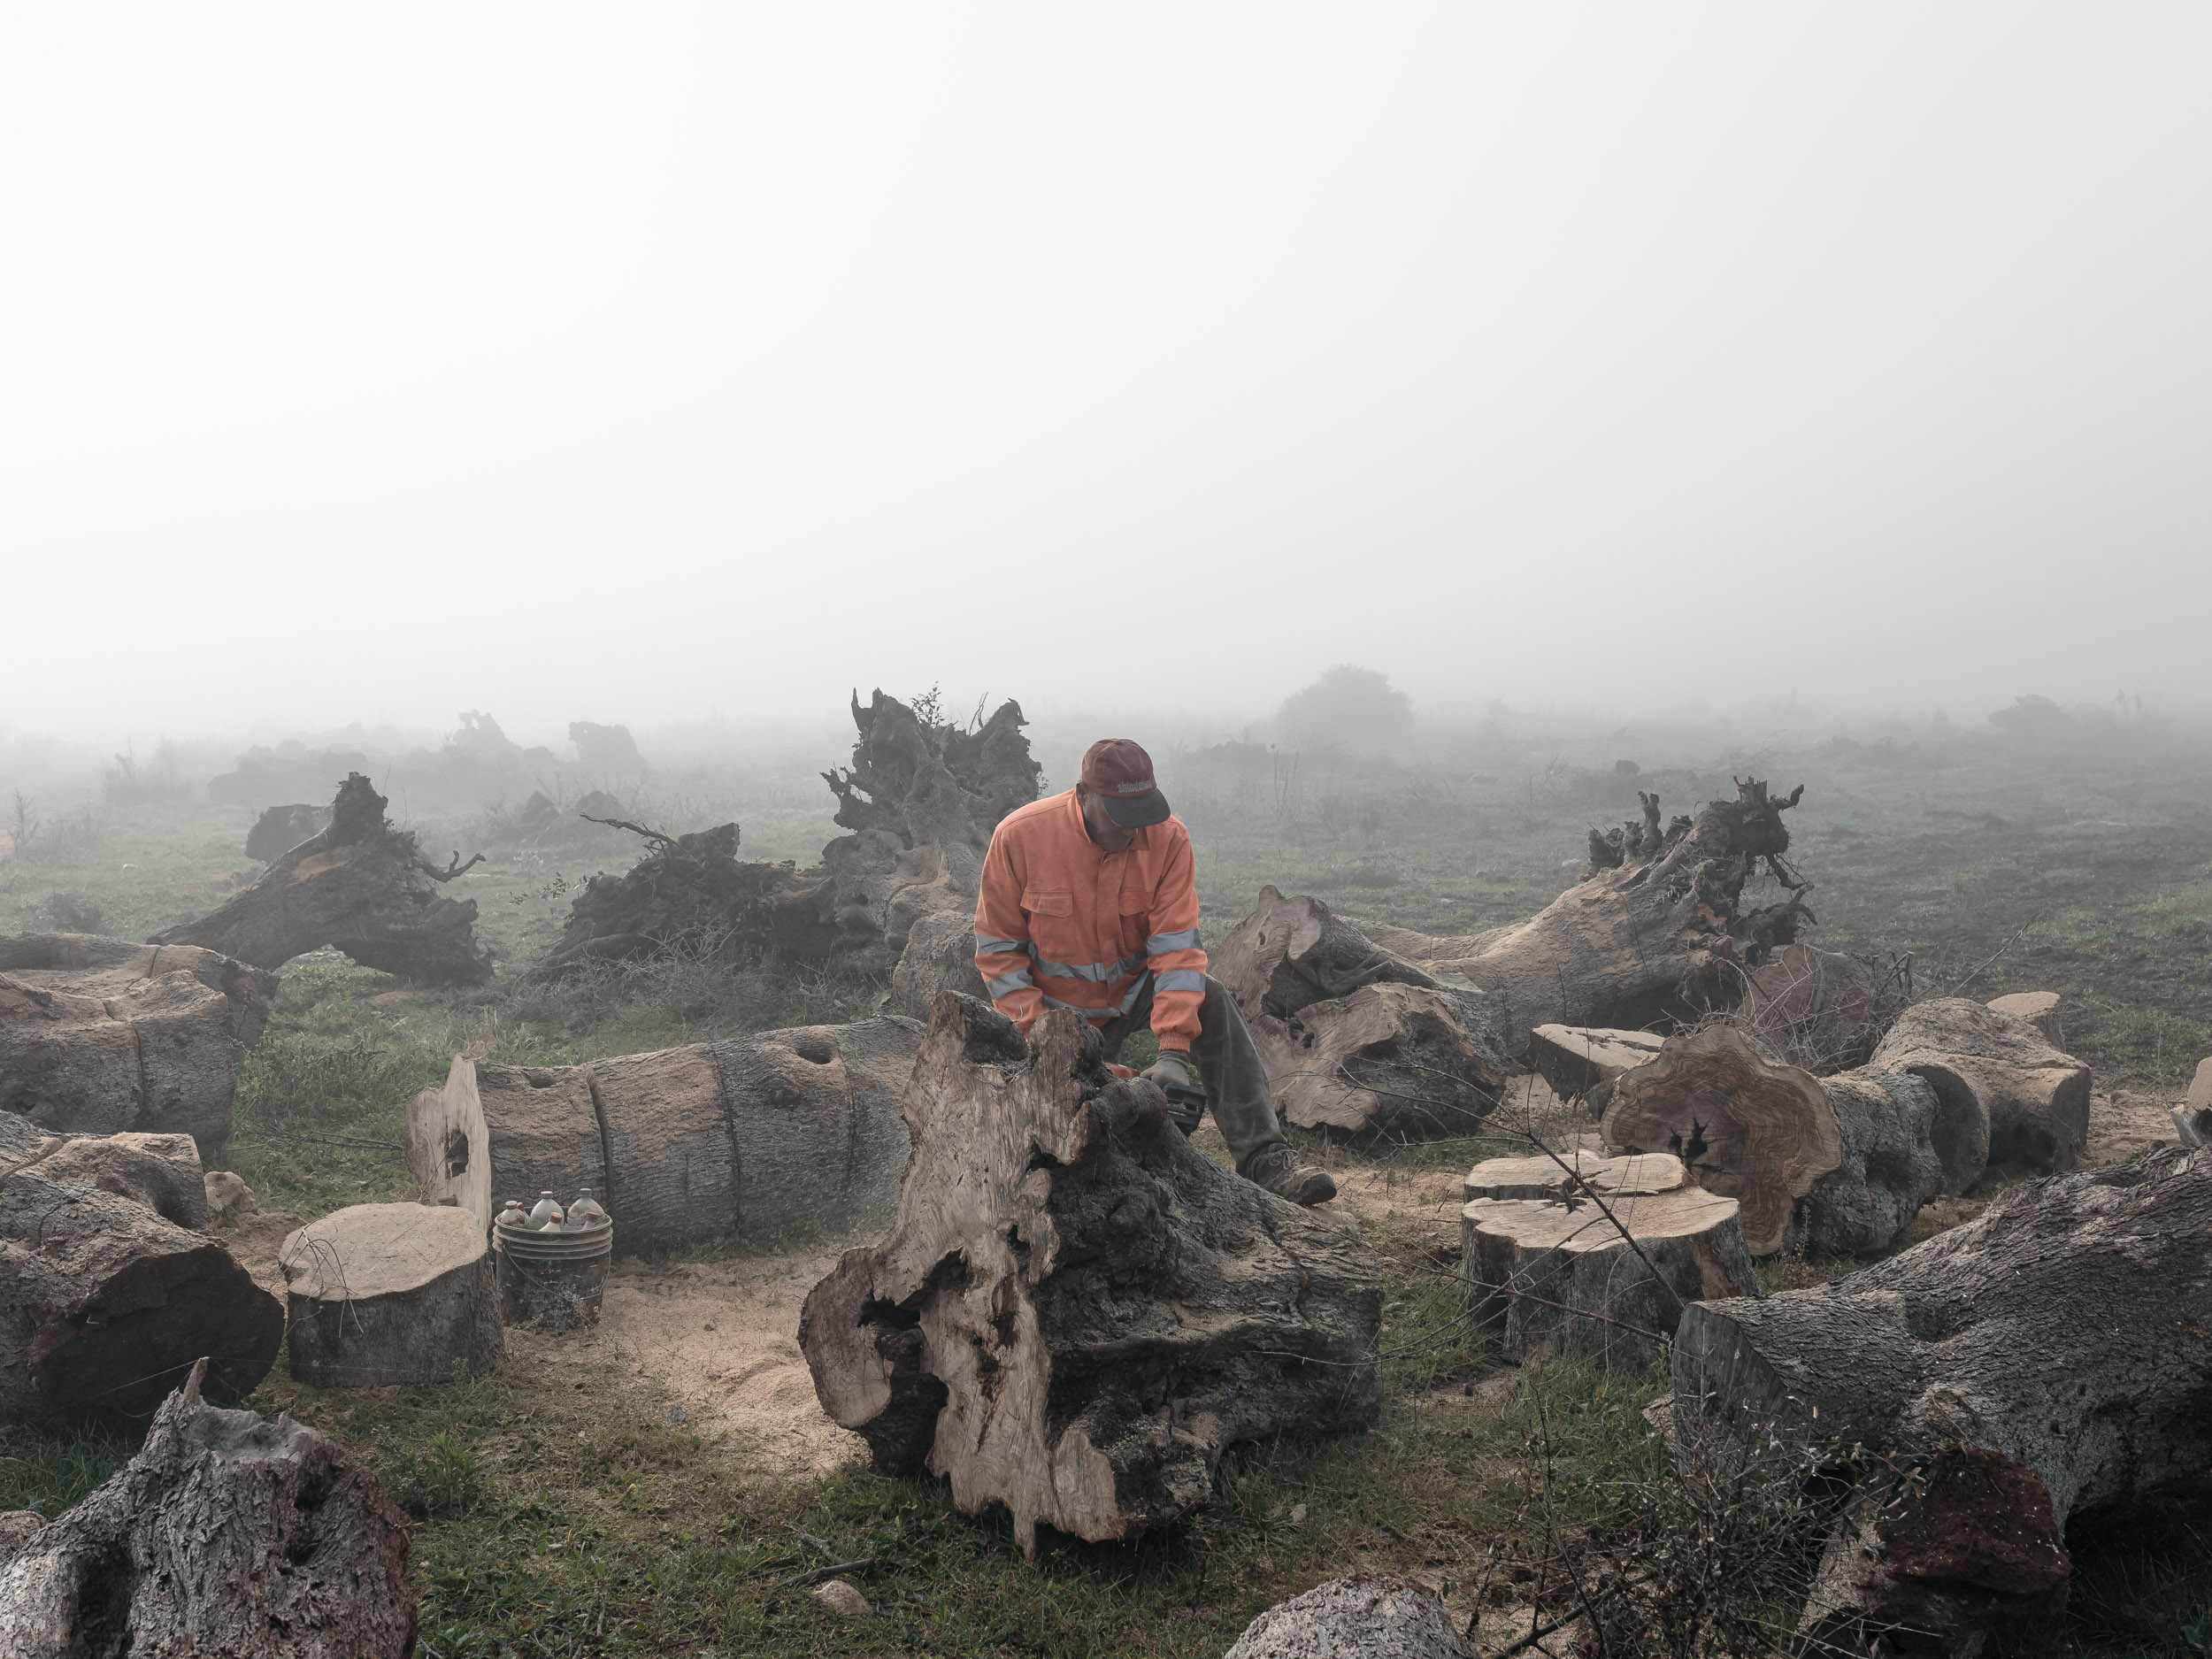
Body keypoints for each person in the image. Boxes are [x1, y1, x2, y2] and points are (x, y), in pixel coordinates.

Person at [972, 738, 1337, 1204]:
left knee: (1212, 998)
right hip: (1053, 1015)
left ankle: (1265, 1157)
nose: (1133, 829)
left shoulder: (1167, 839)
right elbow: (999, 954)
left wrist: (1172, 1052)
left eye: (1142, 813)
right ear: (1083, 794)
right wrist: (1047, 1038)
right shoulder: (1019, 837)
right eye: (1120, 816)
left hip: (1131, 992)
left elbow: (1177, 952)